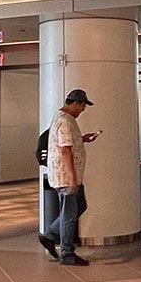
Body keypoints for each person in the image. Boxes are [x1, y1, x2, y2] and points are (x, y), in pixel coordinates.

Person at [43, 89, 97, 266]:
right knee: (69, 215)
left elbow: (68, 143)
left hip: (69, 176)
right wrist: (72, 179)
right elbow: (65, 150)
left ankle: (51, 235)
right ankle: (67, 253)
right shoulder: (64, 121)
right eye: (82, 106)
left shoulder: (65, 120)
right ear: (75, 103)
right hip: (66, 177)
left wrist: (82, 139)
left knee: (80, 206)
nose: (83, 110)